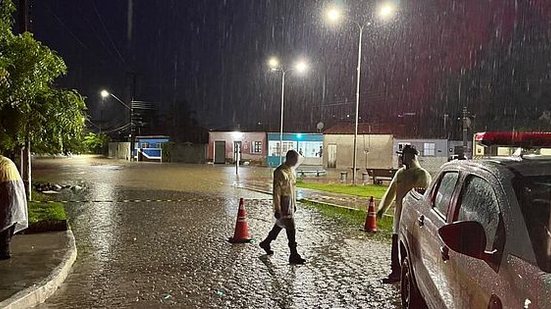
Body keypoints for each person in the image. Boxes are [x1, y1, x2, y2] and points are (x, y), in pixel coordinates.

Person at [377, 145, 431, 283]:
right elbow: (391, 192)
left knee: (409, 247)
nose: (401, 158)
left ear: (411, 157)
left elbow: (422, 199)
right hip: (399, 215)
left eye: (404, 155)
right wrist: (382, 209)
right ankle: (395, 271)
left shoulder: (421, 174)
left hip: (412, 218)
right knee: (395, 242)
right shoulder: (400, 173)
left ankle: (411, 276)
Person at [259, 150, 306, 264]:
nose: (296, 162)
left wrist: (294, 203)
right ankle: (293, 254)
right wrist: (277, 208)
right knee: (291, 228)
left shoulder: (292, 171)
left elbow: (293, 189)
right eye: (295, 160)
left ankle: (266, 242)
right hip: (283, 202)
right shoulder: (280, 171)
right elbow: (276, 191)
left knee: (280, 224)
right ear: (289, 158)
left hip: (289, 201)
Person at [0, 155, 28, 260]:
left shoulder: (3, 163)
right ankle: (4, 249)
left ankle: (4, 251)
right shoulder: (5, 161)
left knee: (5, 219)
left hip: (6, 188)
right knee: (9, 218)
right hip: (15, 189)